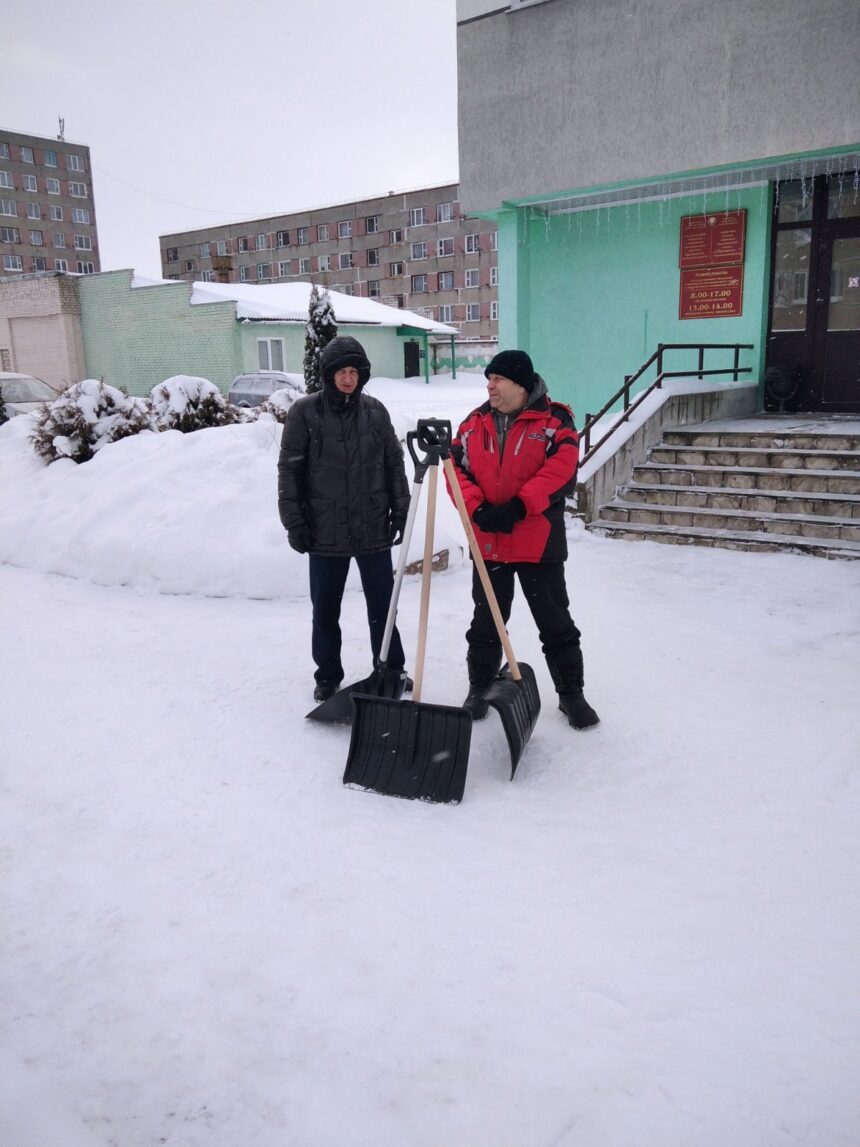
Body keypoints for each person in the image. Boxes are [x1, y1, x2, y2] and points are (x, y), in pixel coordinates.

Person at [448, 349, 599, 729]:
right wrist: (478, 508)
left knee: (555, 623)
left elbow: (561, 471)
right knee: (486, 624)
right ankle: (479, 688)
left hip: (538, 543)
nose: (490, 386)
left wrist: (519, 507)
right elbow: (455, 470)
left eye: (497, 379)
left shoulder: (555, 421)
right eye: (489, 380)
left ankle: (571, 694)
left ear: (520, 384)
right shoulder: (473, 424)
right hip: (490, 543)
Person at [277, 335, 411, 702]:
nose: (348, 378)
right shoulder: (305, 413)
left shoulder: (376, 412)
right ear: (328, 374)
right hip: (325, 529)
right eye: (341, 371)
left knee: (383, 605)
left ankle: (390, 668)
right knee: (325, 609)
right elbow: (289, 471)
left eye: (354, 371)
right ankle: (327, 675)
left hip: (372, 526)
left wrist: (401, 510)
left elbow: (394, 465)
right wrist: (294, 521)